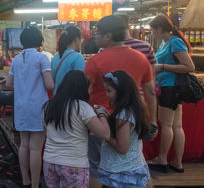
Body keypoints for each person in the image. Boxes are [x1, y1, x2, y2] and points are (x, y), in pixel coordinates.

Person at [84, 15, 157, 188]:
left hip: (99, 122)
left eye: (97, 33)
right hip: (131, 121)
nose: (94, 36)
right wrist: (152, 120)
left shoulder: (95, 61)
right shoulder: (141, 58)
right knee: (135, 162)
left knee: (95, 167)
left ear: (108, 36)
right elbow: (151, 92)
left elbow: (83, 93)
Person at [42, 70, 111, 188]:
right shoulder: (82, 107)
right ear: (82, 88)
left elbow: (46, 130)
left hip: (49, 162)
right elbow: (105, 134)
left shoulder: (48, 105)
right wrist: (102, 114)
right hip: (74, 165)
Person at [5, 27, 54, 188]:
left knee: (24, 144)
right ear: (40, 41)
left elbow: (9, 83)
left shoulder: (17, 59)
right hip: (38, 106)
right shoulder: (42, 58)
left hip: (21, 106)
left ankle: (25, 180)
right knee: (35, 148)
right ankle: (34, 184)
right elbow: (49, 84)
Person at [148, 15, 195, 173]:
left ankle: (162, 159)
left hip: (171, 87)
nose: (152, 33)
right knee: (176, 126)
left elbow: (189, 66)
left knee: (167, 125)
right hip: (170, 87)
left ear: (159, 29)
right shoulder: (164, 42)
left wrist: (163, 67)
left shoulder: (175, 42)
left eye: (153, 30)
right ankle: (177, 162)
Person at [95, 71, 151, 188]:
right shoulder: (133, 109)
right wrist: (106, 115)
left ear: (121, 92)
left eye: (109, 91)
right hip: (131, 166)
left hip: (122, 172)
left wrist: (105, 132)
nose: (107, 94)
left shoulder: (123, 114)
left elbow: (122, 148)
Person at [51, 26, 85, 94]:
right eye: (80, 39)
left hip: (56, 97)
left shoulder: (56, 56)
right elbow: (80, 82)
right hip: (71, 98)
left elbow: (53, 79)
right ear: (76, 39)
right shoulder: (77, 57)